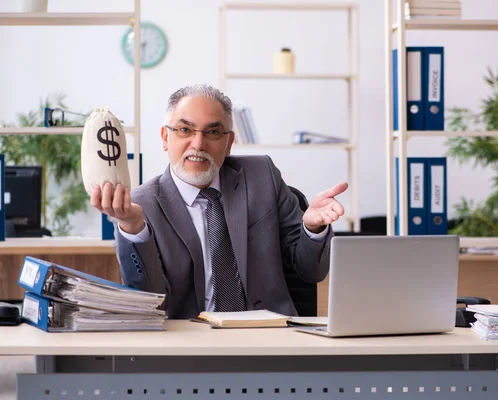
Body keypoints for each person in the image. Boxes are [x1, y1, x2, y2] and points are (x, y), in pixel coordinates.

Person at [90, 84, 348, 319]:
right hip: (189, 346)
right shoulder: (141, 205)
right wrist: (134, 229)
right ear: (165, 138)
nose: (198, 143)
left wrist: (313, 229)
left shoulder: (262, 177)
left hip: (270, 338)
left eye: (213, 132)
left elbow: (311, 271)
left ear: (229, 143)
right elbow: (148, 301)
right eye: (184, 130)